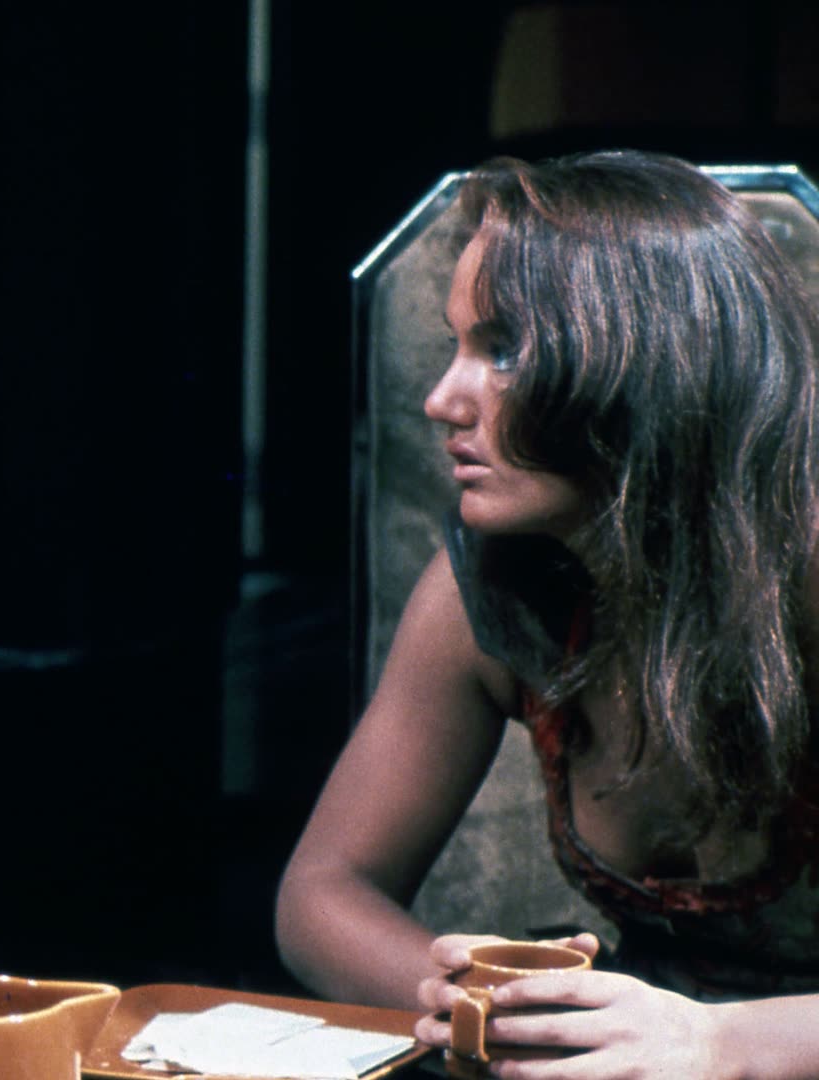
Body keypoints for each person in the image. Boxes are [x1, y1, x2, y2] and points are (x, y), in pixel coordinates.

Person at [275, 150, 819, 1078]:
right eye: (455, 345)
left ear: (656, 360)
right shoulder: (491, 593)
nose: (440, 401)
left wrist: (714, 1042)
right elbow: (324, 891)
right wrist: (487, 1012)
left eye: (504, 350)